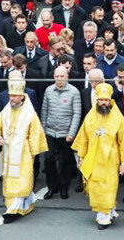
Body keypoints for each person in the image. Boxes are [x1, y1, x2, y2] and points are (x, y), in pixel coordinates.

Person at [72, 82, 124, 228]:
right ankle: (105, 210)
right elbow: (83, 137)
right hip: (93, 158)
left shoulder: (117, 117)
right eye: (101, 100)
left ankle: (104, 216)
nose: (103, 103)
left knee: (108, 186)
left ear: (110, 100)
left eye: (106, 100)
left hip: (110, 160)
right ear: (97, 100)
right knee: (95, 186)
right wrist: (81, 157)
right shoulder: (91, 116)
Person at [0, 73, 48, 223]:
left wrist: (33, 154)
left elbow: (36, 133)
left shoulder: (30, 113)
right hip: (8, 152)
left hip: (23, 154)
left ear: (21, 96)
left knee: (21, 181)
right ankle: (23, 204)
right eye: (10, 96)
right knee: (10, 181)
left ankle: (12, 211)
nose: (12, 99)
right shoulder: (6, 110)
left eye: (15, 96)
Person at [41, 64, 82, 200]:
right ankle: (52, 187)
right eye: (57, 76)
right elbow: (44, 111)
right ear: (54, 77)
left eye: (62, 76)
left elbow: (77, 113)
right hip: (50, 132)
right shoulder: (48, 90)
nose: (59, 79)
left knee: (65, 161)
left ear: (67, 77)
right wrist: (43, 128)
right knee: (49, 159)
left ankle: (64, 187)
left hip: (66, 133)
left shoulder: (74, 92)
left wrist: (72, 133)